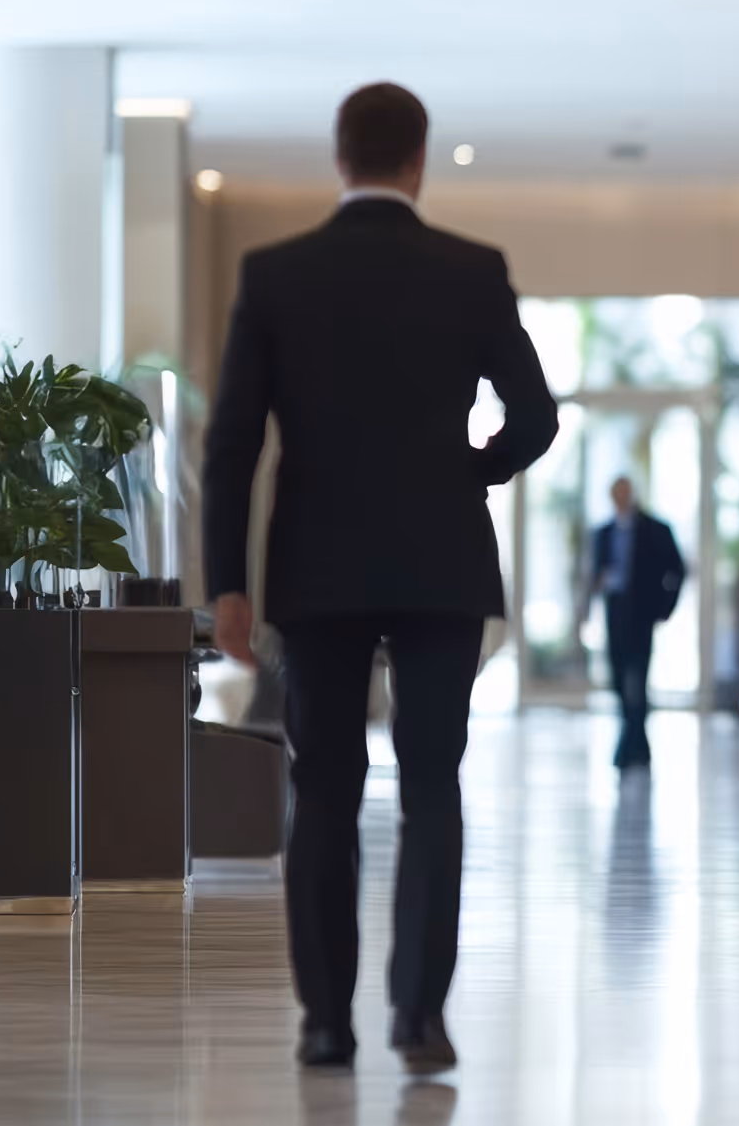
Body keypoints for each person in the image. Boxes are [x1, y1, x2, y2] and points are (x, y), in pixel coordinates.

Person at [203, 83, 558, 1074]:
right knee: (432, 788)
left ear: (340, 157)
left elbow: (232, 440)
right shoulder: (471, 271)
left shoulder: (277, 275)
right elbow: (534, 416)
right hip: (443, 562)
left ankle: (326, 1023)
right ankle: (419, 1018)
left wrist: (226, 581)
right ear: (418, 161)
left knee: (323, 793)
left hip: (316, 567)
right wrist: (470, 470)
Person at [590, 477, 687, 770]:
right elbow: (595, 575)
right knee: (620, 680)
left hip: (641, 616)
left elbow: (677, 570)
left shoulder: (655, 530)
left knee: (637, 681)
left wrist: (664, 608)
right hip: (615, 614)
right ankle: (638, 745)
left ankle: (626, 746)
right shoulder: (603, 533)